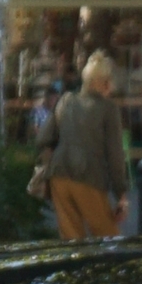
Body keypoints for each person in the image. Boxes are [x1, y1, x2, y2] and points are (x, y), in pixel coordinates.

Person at [37, 54, 129, 241]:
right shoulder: (108, 109)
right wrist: (121, 195)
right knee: (108, 237)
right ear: (104, 83)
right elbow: (115, 155)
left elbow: (43, 138)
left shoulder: (66, 100)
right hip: (89, 177)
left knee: (72, 242)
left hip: (58, 175)